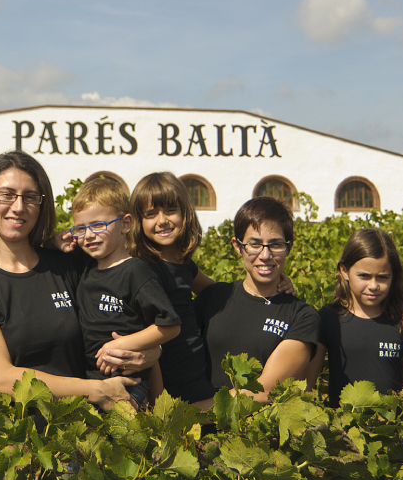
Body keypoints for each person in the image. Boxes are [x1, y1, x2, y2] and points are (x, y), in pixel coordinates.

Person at [0, 151, 142, 409]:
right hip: (22, 437)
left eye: (30, 197)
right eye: (6, 195)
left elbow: (129, 322)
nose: (18, 207)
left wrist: (150, 353)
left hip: (89, 430)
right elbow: (0, 378)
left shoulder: (70, 265)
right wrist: (95, 391)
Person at [63, 176, 180, 409]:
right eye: (80, 229)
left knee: (125, 437)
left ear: (126, 224)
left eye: (98, 225)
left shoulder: (136, 271)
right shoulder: (85, 268)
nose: (88, 235)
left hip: (129, 382)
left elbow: (169, 325)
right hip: (89, 379)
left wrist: (120, 345)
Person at [195, 196, 320, 402]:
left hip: (261, 433)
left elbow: (266, 390)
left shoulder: (302, 317)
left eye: (276, 244)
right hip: (198, 433)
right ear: (237, 246)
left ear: (289, 247)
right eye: (254, 244)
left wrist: (194, 412)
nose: (265, 255)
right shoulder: (213, 298)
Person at [130, 172, 219, 409]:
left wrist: (273, 284)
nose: (162, 220)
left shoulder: (184, 265)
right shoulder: (144, 268)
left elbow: (215, 291)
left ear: (185, 213)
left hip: (195, 373)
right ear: (138, 221)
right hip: (165, 382)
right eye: (151, 214)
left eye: (170, 210)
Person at [310, 227, 403, 406]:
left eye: (382, 278)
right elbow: (308, 383)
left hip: (390, 430)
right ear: (344, 271)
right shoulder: (329, 318)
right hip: (340, 429)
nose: (373, 286)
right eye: (364, 276)